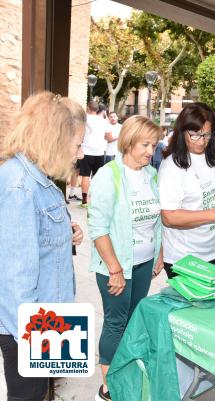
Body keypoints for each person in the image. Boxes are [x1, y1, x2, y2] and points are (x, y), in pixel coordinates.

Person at [0, 92, 85, 401]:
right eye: (77, 145)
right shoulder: (19, 186)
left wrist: (66, 232)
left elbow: (34, 237)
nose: (79, 154)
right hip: (31, 326)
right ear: (55, 140)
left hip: (46, 319)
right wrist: (36, 344)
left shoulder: (37, 179)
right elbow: (15, 279)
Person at [87, 115, 164, 401]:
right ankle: (107, 388)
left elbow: (157, 219)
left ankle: (126, 372)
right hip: (115, 267)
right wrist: (115, 269)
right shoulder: (109, 175)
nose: (150, 151)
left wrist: (159, 253)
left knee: (133, 321)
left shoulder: (151, 174)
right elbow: (98, 228)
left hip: (143, 263)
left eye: (153, 145)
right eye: (145, 144)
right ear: (129, 141)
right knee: (116, 322)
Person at [159, 103, 215, 278]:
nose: (202, 141)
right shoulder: (171, 167)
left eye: (207, 134)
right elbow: (169, 217)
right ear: (182, 131)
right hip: (184, 256)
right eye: (195, 135)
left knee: (214, 300)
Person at [80, 100, 110, 208]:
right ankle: (97, 201)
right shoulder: (103, 121)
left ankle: (84, 201)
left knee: (85, 176)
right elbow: (109, 136)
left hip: (86, 151)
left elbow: (80, 133)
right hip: (99, 152)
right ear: (98, 109)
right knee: (97, 177)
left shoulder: (84, 119)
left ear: (88, 108)